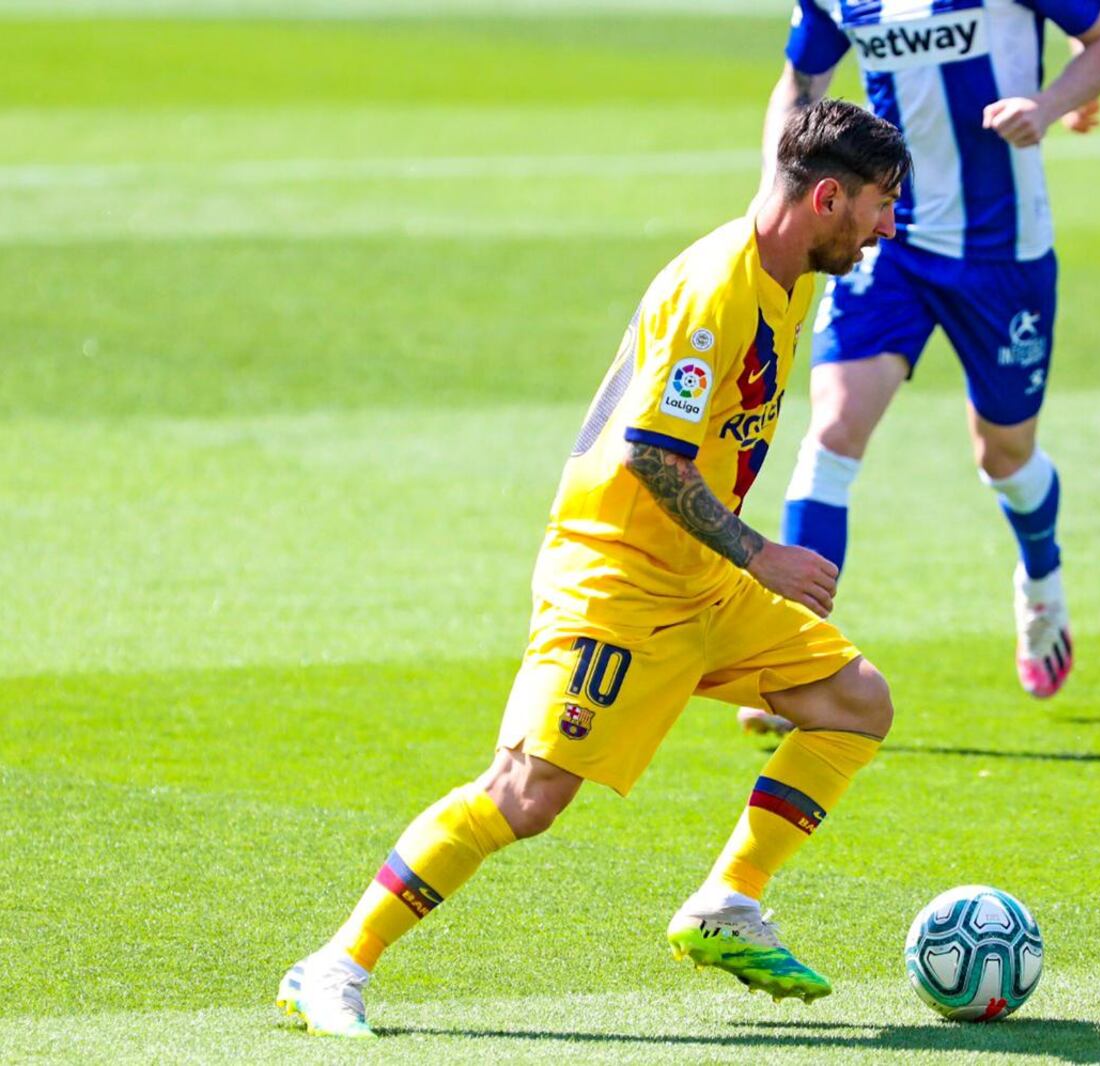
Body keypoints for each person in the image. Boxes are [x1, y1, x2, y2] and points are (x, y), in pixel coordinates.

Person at [276, 98, 912, 1037]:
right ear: (826, 198)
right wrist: (760, 553)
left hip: (698, 575)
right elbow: (653, 456)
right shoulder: (718, 290)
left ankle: (726, 901)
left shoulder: (793, 269)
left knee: (856, 701)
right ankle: (332, 966)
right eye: (880, 204)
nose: (888, 225)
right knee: (525, 795)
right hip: (617, 577)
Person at [755, 0, 1100, 710]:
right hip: (887, 240)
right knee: (832, 431)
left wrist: (1047, 107)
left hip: (1004, 253)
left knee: (1005, 456)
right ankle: (793, 659)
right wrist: (776, 192)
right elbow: (801, 82)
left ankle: (1041, 579)